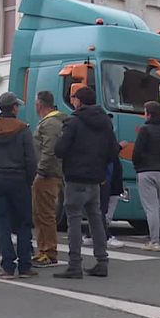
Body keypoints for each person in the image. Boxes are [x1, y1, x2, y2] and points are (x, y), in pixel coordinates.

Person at [53, 86, 119, 279]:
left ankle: (74, 265)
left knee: (74, 219)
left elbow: (60, 150)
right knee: (95, 218)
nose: (73, 101)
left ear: (79, 101)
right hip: (96, 178)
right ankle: (102, 261)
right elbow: (112, 151)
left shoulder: (73, 123)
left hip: (75, 177)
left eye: (74, 98)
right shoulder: (105, 122)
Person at [0, 92, 38, 279]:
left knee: (2, 223)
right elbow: (31, 160)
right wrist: (28, 179)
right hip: (19, 179)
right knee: (23, 223)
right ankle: (25, 265)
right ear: (13, 108)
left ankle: (7, 266)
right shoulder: (23, 129)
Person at [133, 101, 160, 252]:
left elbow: (137, 152)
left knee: (151, 208)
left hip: (147, 170)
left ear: (148, 113)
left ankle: (154, 241)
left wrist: (137, 166)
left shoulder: (145, 129)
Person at [31, 91, 67, 268]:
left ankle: (48, 252)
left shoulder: (51, 123)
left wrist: (40, 171)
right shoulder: (51, 121)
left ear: (40, 103)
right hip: (48, 173)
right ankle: (43, 250)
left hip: (47, 175)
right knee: (40, 214)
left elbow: (49, 150)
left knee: (44, 214)